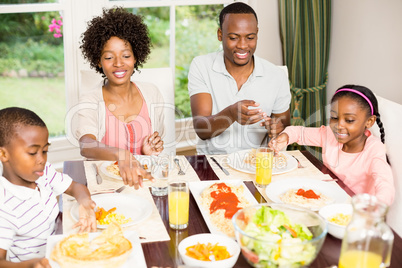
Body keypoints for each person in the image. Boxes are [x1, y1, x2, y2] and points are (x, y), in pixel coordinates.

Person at [75, 7, 164, 188]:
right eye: (109, 57)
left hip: (143, 184)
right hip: (105, 187)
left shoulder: (152, 93)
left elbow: (153, 152)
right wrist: (121, 154)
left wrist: (147, 152)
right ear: (98, 61)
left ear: (135, 57)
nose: (118, 63)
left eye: (126, 55)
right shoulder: (89, 100)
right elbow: (86, 145)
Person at [188, 2, 291, 155]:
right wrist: (230, 114)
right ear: (220, 34)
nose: (243, 45)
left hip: (258, 162)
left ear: (257, 34)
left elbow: (284, 129)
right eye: (234, 37)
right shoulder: (201, 66)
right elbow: (202, 129)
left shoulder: (276, 75)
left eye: (250, 37)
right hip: (213, 162)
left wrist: (277, 130)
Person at [0, 107, 97, 267]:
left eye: (44, 151)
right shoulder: (4, 205)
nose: (41, 160)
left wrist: (84, 201)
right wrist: (30, 265)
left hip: (61, 248)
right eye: (32, 153)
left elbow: (75, 187)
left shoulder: (43, 173)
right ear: (3, 154)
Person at [269, 85, 394, 205]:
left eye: (349, 120)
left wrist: (374, 209)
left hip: (353, 208)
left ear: (369, 121)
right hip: (327, 198)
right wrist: (285, 137)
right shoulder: (330, 134)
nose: (338, 126)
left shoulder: (373, 149)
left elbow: (385, 186)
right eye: (334, 117)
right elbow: (299, 133)